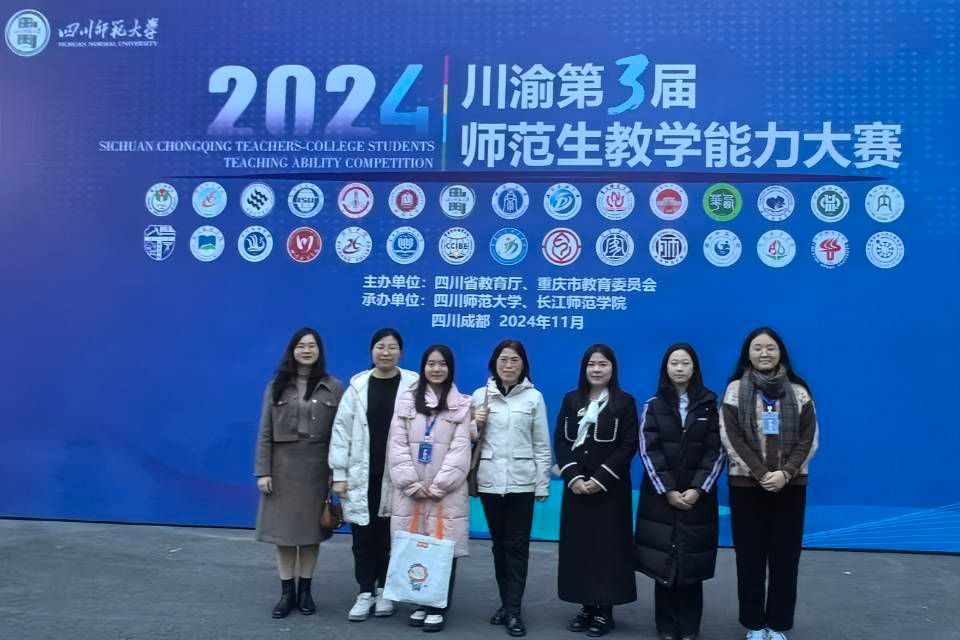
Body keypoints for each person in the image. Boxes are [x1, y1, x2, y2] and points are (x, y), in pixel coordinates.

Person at [720, 328, 819, 640]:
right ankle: (754, 624)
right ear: (747, 353)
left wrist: (785, 473)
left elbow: (809, 437)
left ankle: (777, 625)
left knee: (785, 559)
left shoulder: (799, 391)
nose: (764, 353)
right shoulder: (735, 390)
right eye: (757, 348)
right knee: (749, 558)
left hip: (791, 487)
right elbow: (730, 436)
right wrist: (762, 473)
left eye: (770, 348)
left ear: (781, 352)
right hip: (746, 487)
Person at [634, 344, 726, 640]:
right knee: (664, 562)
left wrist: (698, 489)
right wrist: (668, 490)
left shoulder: (710, 405)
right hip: (661, 498)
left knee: (692, 563)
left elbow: (717, 451)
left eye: (685, 363)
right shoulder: (653, 405)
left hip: (699, 499)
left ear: (694, 368)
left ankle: (689, 626)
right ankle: (666, 625)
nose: (679, 368)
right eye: (674, 363)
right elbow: (648, 450)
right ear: (666, 368)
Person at [329, 328, 419, 621]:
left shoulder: (414, 385)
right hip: (362, 474)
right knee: (363, 536)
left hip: (399, 475)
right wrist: (339, 474)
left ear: (401, 352)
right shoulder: (358, 386)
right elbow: (341, 432)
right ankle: (365, 591)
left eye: (392, 347)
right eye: (380, 346)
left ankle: (385, 591)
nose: (386, 352)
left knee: (390, 537)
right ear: (372, 351)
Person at [254, 328, 344, 618]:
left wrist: (336, 472)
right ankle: (286, 592)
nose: (307, 350)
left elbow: (341, 436)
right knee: (283, 535)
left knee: (309, 535)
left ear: (319, 351)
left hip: (317, 469)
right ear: (292, 351)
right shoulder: (276, 386)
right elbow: (265, 432)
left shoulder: (334, 387)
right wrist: (263, 472)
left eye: (312, 346)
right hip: (282, 470)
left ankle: (305, 590)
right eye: (301, 346)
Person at [554, 344, 639, 637]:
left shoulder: (624, 403)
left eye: (603, 364)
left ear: (613, 369)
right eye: (591, 364)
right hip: (577, 489)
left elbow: (628, 445)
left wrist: (600, 479)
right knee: (580, 549)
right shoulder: (571, 400)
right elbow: (561, 441)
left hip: (610, 491)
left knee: (608, 550)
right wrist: (574, 477)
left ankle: (605, 611)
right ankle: (586, 606)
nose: (597, 369)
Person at [388, 344, 472, 633]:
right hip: (410, 492)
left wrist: (440, 485)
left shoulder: (461, 405)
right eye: (431, 363)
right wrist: (410, 483)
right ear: (423, 367)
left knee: (443, 547)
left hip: (446, 493)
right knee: (416, 546)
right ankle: (419, 601)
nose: (436, 369)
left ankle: (437, 605)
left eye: (442, 364)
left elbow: (461, 449)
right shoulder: (406, 402)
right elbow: (396, 445)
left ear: (450, 368)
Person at [471, 339, 552, 637]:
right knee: (499, 546)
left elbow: (541, 444)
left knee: (517, 548)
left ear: (523, 365)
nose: (508, 365)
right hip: (490, 481)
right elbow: (467, 437)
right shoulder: (480, 396)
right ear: (494, 363)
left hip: (522, 483)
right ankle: (506, 604)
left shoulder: (534, 398)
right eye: (503, 359)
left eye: (514, 360)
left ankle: (514, 611)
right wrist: (474, 423)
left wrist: (542, 483)